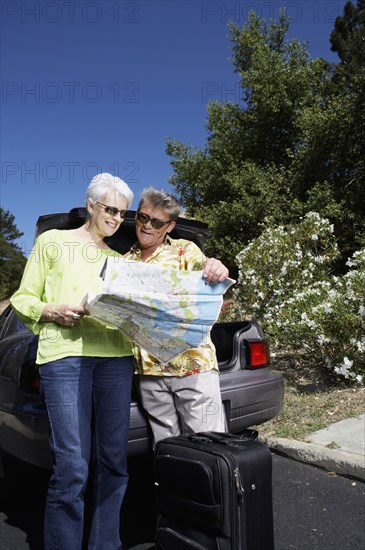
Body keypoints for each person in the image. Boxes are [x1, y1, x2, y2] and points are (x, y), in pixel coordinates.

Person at [10, 173, 135, 550]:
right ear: (91, 205)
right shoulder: (53, 242)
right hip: (64, 358)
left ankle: (104, 545)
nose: (115, 219)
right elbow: (23, 298)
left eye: (122, 213)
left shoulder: (120, 260)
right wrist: (51, 310)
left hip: (115, 359)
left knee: (114, 463)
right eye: (110, 209)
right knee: (72, 467)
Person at [124, 187, 229, 446]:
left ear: (169, 226)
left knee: (209, 446)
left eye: (157, 222)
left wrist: (216, 266)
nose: (147, 226)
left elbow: (208, 273)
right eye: (143, 217)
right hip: (149, 373)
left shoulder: (186, 250)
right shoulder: (124, 261)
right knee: (167, 449)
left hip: (193, 367)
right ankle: (174, 488)